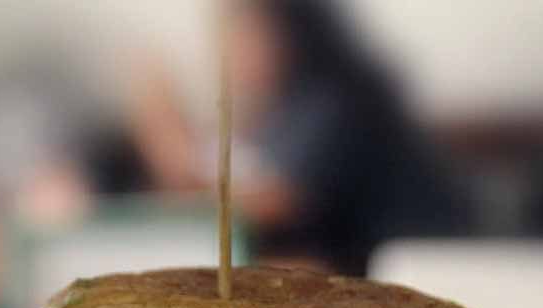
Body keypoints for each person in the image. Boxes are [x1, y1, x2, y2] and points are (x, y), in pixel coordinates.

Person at [73, 0, 471, 276]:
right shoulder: (279, 112)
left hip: (426, 272)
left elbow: (248, 206)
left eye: (239, 32)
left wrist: (159, 123)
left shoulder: (331, 99)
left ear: (287, 31)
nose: (225, 50)